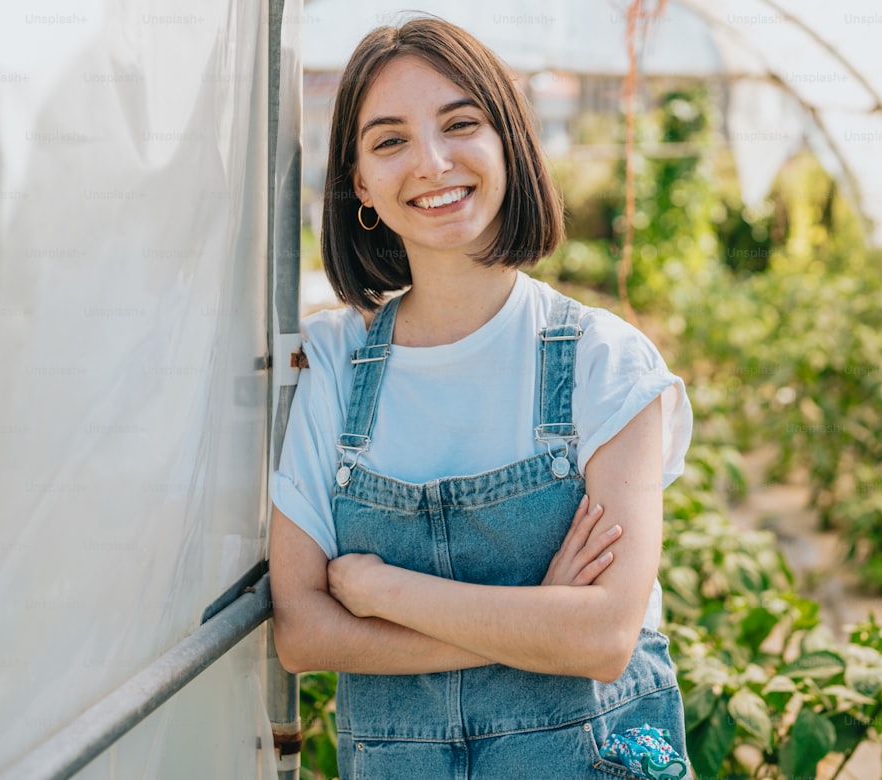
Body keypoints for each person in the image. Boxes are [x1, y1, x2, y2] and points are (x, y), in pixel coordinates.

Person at [269, 16, 693, 779]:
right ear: (360, 183)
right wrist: (536, 620)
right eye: (390, 140)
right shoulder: (333, 359)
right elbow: (303, 631)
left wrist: (378, 589)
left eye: (460, 123)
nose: (432, 163)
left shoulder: (605, 360)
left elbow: (601, 638)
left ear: (508, 144)